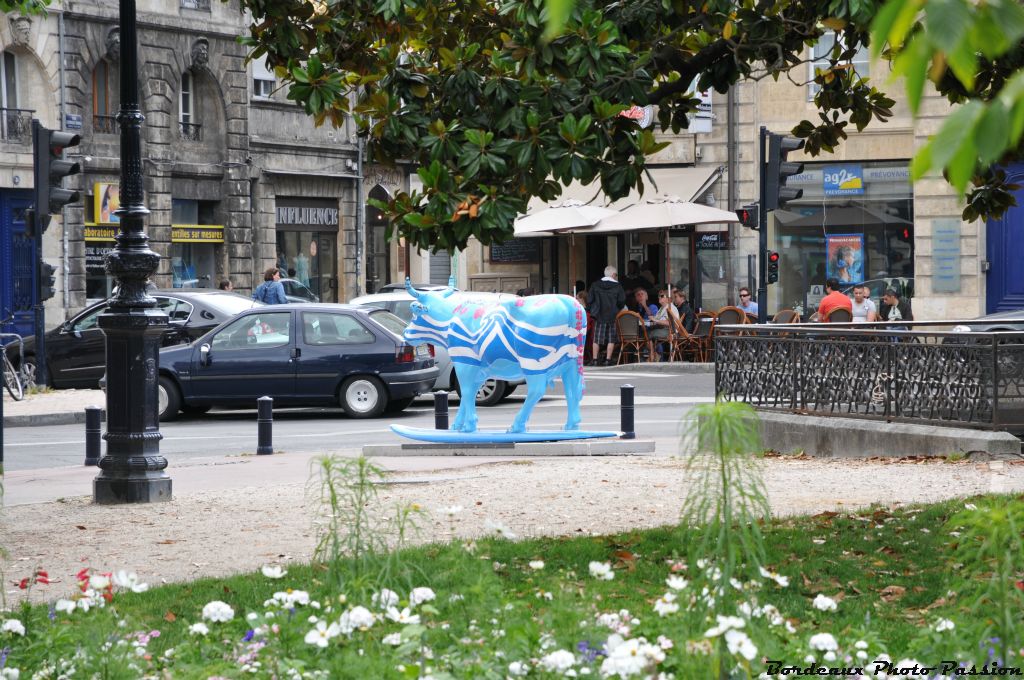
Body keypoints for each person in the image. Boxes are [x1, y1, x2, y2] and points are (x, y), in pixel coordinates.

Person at [588, 265, 626, 366]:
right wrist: (616, 309)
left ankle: (595, 360)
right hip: (612, 315)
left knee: (596, 338)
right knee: (611, 338)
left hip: (599, 315)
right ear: (613, 275)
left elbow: (590, 299)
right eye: (616, 275)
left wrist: (593, 309)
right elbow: (621, 301)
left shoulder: (595, 285)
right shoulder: (618, 286)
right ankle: (608, 360)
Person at [649, 289, 680, 361]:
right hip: (662, 329)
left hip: (670, 331)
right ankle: (655, 354)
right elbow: (657, 321)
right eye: (659, 296)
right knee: (645, 332)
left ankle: (653, 356)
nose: (659, 297)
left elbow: (669, 323)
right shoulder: (661, 308)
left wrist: (655, 320)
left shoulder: (670, 307)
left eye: (662, 296)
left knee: (649, 334)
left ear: (668, 298)